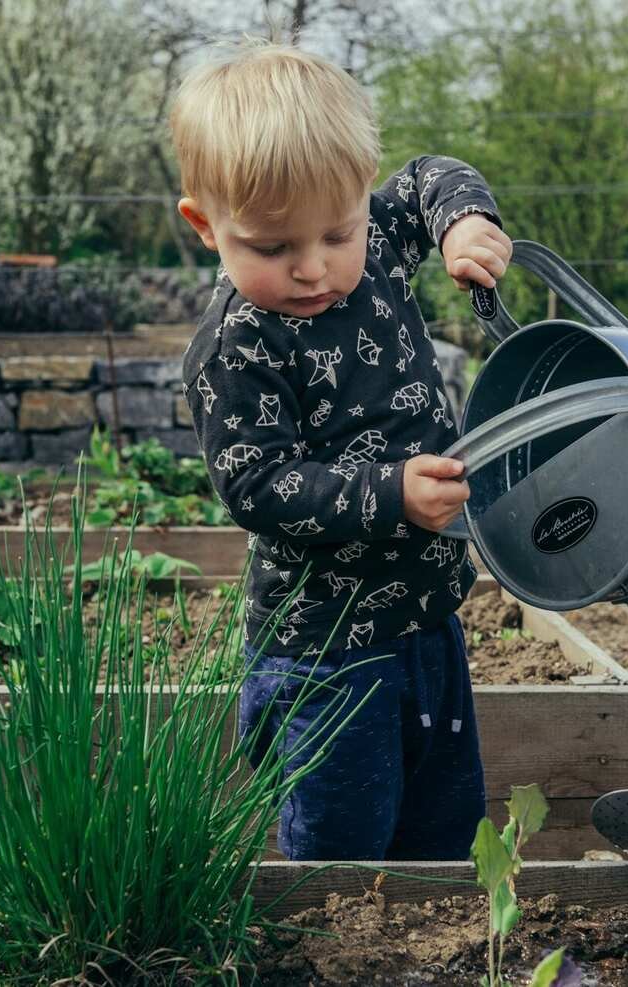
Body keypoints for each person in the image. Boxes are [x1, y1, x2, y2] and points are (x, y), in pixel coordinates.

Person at [171, 40, 512, 861]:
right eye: (270, 247)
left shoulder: (382, 242)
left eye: (337, 230)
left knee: (443, 824)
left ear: (362, 196)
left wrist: (465, 221)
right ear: (204, 226)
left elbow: (432, 173)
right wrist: (390, 492)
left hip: (429, 618)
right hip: (325, 653)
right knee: (342, 848)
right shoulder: (237, 346)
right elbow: (258, 484)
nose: (313, 267)